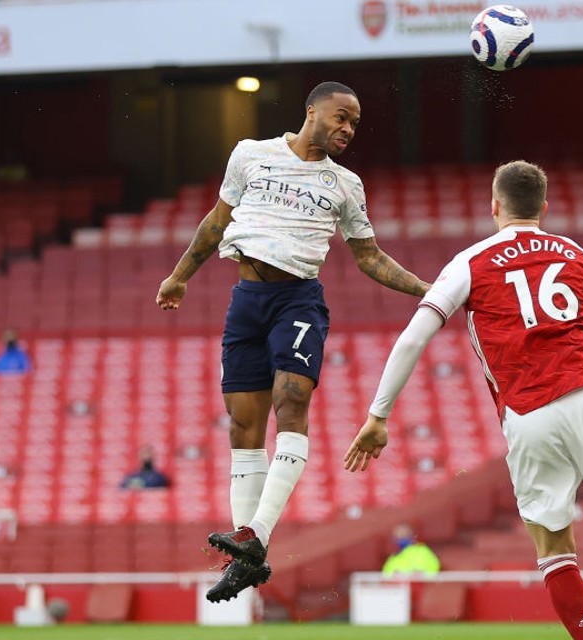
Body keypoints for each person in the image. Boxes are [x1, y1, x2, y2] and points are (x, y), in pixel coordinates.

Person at [345, 161, 583, 640]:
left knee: (555, 548)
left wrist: (378, 416)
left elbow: (413, 340)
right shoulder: (574, 252)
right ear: (543, 207)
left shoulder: (470, 261)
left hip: (524, 413)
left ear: (494, 205)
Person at [155, 81, 430, 603]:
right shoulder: (250, 154)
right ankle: (244, 553)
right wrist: (179, 276)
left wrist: (427, 288)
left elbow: (368, 257)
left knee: (291, 402)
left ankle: (256, 533)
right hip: (246, 301)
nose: (348, 128)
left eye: (354, 123)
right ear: (312, 110)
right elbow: (217, 223)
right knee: (242, 423)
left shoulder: (345, 184)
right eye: (341, 116)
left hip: (297, 301)